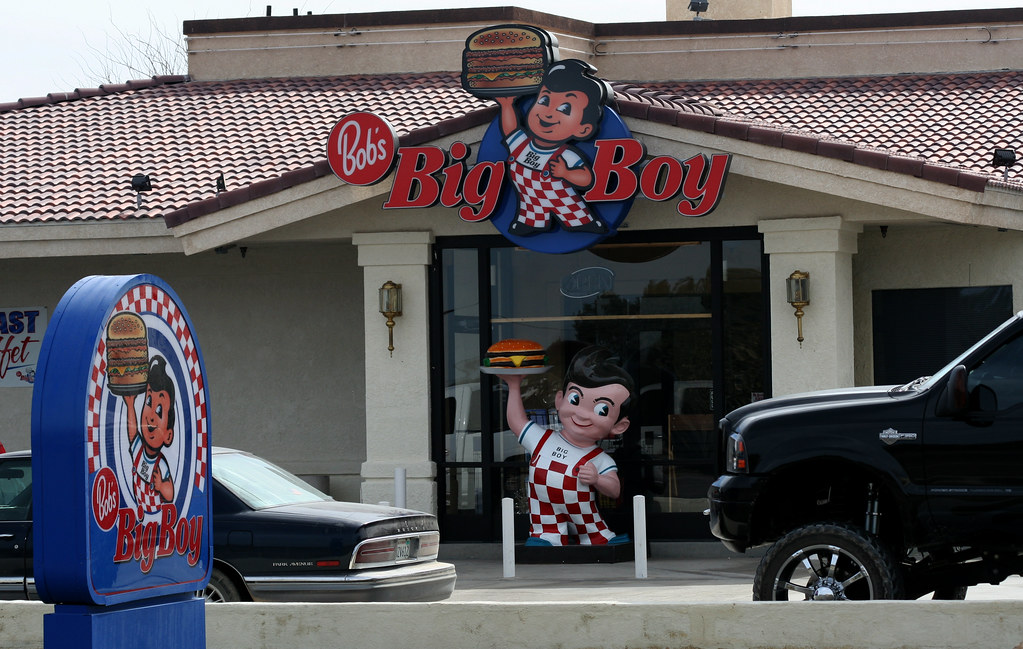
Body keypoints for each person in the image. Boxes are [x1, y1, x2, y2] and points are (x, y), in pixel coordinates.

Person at [499, 345, 634, 546]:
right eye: (575, 399)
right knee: (545, 528)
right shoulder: (543, 439)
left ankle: (596, 537)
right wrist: (514, 386)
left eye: (602, 409)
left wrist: (597, 479)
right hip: (544, 508)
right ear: (560, 399)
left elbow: (614, 490)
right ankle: (547, 536)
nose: (581, 414)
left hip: (582, 510)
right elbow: (517, 422)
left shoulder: (598, 458)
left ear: (619, 426)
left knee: (591, 528)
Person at [493, 59, 611, 237]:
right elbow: (510, 130)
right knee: (530, 209)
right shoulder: (522, 144)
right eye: (545, 99)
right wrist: (508, 106)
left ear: (583, 129)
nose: (548, 112)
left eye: (565, 108)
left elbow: (587, 178)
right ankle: (529, 223)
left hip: (562, 201)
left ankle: (584, 223)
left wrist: (566, 174)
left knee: (573, 213)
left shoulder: (566, 154)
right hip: (530, 200)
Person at [121, 355, 176, 514]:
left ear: (168, 435)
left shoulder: (161, 465)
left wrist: (161, 486)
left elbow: (170, 493)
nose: (151, 415)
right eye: (148, 402)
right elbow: (132, 434)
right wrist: (130, 406)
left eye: (159, 411)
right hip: (139, 515)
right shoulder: (139, 451)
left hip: (156, 516)